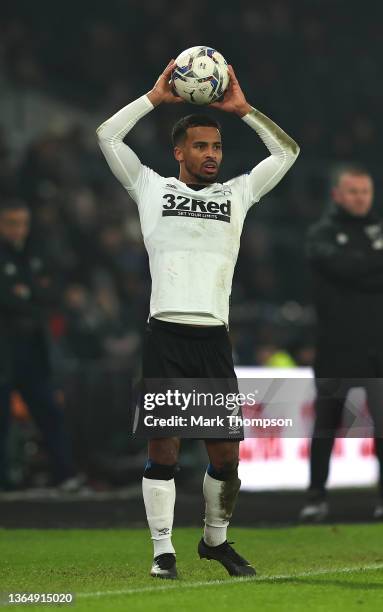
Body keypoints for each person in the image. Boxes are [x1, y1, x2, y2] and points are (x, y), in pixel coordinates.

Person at [97, 59, 299, 579]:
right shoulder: (150, 188)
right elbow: (107, 136)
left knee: (227, 458)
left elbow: (287, 152)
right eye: (202, 147)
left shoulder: (238, 194)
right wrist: (153, 99)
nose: (211, 155)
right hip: (165, 333)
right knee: (163, 448)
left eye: (217, 147)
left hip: (213, 339)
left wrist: (245, 110)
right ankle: (162, 551)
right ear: (179, 152)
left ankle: (214, 543)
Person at [300, 167, 383, 521]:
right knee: (325, 425)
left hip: (377, 347)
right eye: (353, 191)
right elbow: (340, 268)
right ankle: (316, 496)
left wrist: (354, 267)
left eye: (365, 191)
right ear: (336, 194)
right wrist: (370, 265)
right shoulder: (321, 233)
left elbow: (348, 270)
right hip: (334, 346)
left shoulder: (378, 228)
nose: (360, 197)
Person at [0, 199, 79, 491]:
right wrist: (33, 294)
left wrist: (27, 294)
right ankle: (5, 484)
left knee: (50, 412)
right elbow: (12, 297)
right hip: (5, 351)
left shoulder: (33, 253)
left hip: (33, 350)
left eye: (22, 223)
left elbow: (54, 291)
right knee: (3, 422)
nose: (18, 230)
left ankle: (65, 475)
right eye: (11, 223)